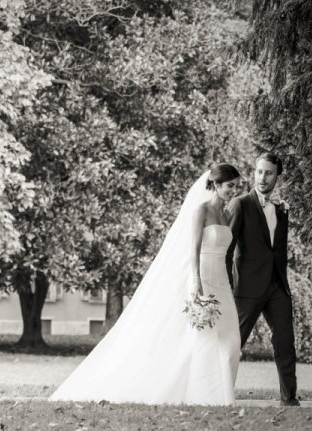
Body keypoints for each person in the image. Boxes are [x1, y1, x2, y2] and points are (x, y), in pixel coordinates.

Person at [50, 165, 242, 405]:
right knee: (204, 338)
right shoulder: (200, 211)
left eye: (236, 186)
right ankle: (210, 397)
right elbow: (192, 251)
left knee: (232, 339)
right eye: (230, 185)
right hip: (203, 277)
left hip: (222, 282)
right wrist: (196, 283)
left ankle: (221, 392)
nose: (233, 191)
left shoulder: (227, 214)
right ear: (216, 184)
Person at [226, 152, 299, 406]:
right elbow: (227, 247)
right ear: (254, 173)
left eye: (269, 173)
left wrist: (283, 283)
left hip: (277, 286)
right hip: (247, 287)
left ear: (277, 176)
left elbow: (277, 249)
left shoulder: (281, 209)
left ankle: (289, 398)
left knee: (285, 342)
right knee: (234, 344)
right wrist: (226, 285)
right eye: (259, 171)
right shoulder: (240, 204)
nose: (263, 177)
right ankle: (218, 393)